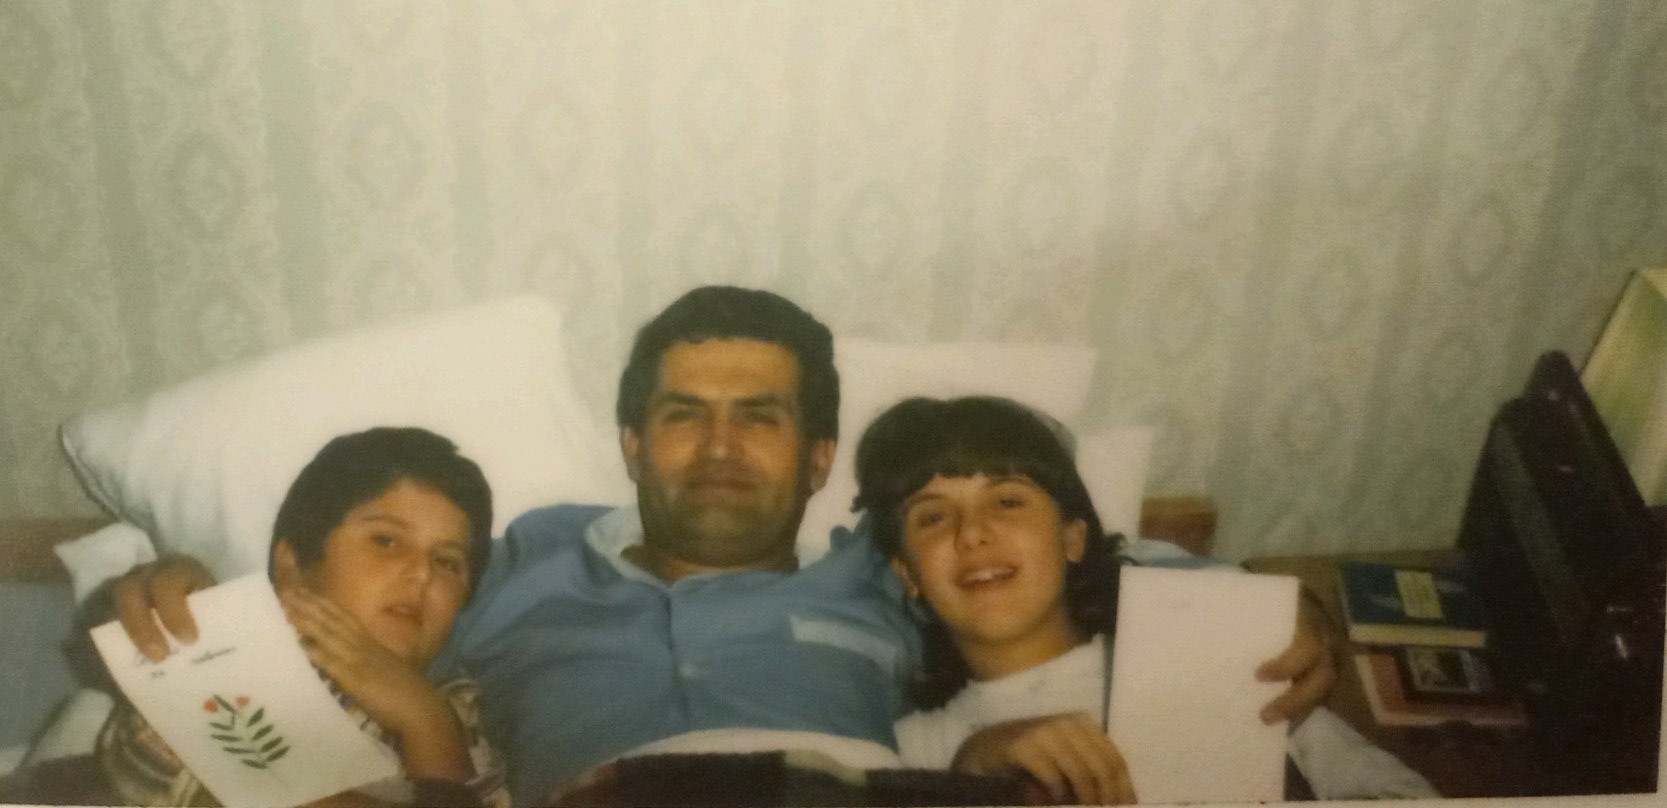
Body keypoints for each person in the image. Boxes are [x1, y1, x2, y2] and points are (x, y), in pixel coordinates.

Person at [110, 287, 1338, 806]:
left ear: (815, 454)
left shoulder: (887, 564)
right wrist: (185, 586)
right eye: (683, 413)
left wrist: (1287, 611)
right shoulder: (515, 558)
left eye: (759, 415)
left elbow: (1083, 566)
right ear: (631, 443)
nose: (718, 445)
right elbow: (355, 613)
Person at [853, 395, 1437, 804]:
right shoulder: (919, 749)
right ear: (908, 573)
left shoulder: (1204, 661)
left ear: (1073, 538)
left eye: (1007, 501)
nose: (972, 534)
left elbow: (1401, 794)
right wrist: (968, 780)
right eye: (933, 517)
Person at [97, 427, 506, 808]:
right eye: (386, 540)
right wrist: (206, 633)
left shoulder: (461, 717)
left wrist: (428, 723)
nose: (422, 574)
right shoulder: (237, 663)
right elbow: (146, 762)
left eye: (447, 562)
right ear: (292, 567)